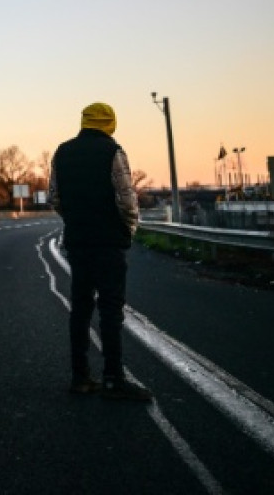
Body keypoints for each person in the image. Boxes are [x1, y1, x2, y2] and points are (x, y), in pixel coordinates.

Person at [50, 102, 153, 401]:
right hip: (109, 242)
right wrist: (128, 230)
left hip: (78, 240)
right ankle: (113, 379)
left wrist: (74, 220)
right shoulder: (113, 151)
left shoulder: (62, 152)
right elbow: (126, 199)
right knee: (110, 309)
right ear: (110, 123)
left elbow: (55, 196)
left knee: (80, 308)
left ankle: (80, 377)